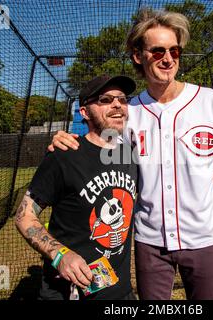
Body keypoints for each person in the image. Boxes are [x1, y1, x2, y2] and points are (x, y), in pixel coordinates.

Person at [49, 9, 213, 300]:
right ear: (138, 56)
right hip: (150, 241)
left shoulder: (209, 100)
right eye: (157, 51)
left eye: (174, 50)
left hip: (205, 237)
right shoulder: (130, 112)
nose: (168, 58)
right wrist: (67, 139)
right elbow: (98, 147)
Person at [15, 75, 138, 300]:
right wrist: (60, 255)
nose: (117, 104)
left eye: (122, 99)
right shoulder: (64, 155)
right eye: (105, 100)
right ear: (84, 112)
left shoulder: (130, 156)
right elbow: (24, 216)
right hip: (67, 292)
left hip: (119, 292)